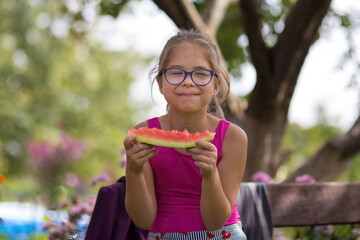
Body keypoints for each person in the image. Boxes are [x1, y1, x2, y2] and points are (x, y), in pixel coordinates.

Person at [123, 29, 248, 240]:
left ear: (216, 85)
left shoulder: (233, 137)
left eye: (200, 73)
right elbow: (143, 220)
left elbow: (215, 221)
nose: (188, 81)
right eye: (176, 73)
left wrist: (210, 175)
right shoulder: (143, 134)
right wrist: (133, 171)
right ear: (161, 83)